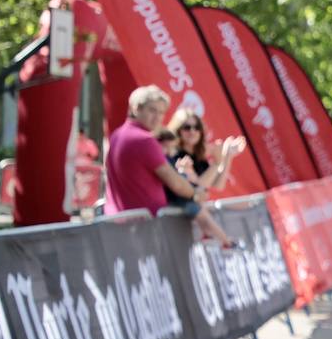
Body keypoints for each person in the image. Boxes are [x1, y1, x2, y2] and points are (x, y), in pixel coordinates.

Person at [104, 86, 207, 217]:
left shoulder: (116, 135)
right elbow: (175, 182)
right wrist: (196, 194)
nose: (158, 117)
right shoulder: (144, 140)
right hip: (145, 225)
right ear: (136, 109)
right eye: (152, 110)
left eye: (161, 112)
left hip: (120, 219)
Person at [156, 128, 238, 248]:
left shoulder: (176, 158)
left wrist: (225, 158)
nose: (168, 151)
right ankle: (226, 241)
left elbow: (210, 185)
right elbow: (181, 183)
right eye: (187, 128)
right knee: (202, 212)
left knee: (202, 208)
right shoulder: (165, 159)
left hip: (186, 197)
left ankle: (213, 236)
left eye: (171, 148)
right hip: (179, 199)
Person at [167, 107, 247, 195]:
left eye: (197, 127)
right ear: (178, 130)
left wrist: (227, 155)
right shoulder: (174, 154)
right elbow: (198, 187)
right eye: (187, 127)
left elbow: (218, 185)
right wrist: (217, 162)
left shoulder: (198, 155)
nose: (192, 131)